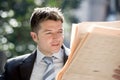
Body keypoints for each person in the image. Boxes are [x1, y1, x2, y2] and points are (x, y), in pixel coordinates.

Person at [0, 7, 70, 80]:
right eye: (49, 33)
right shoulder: (13, 67)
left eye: (60, 32)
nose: (56, 37)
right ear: (34, 36)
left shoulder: (78, 61)